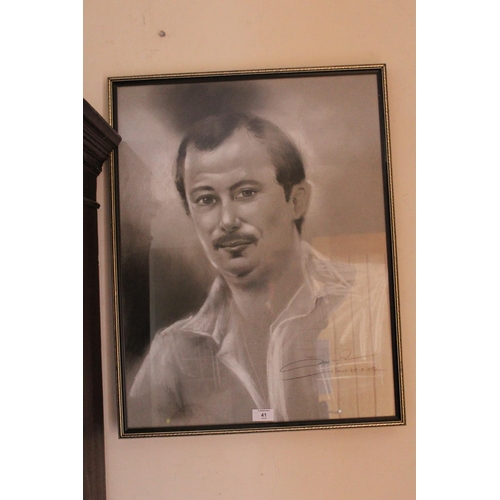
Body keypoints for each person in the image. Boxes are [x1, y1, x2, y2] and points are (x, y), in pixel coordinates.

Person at [128, 112, 395, 428]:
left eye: (246, 193)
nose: (226, 220)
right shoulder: (172, 351)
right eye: (206, 199)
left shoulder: (378, 302)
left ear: (296, 201)